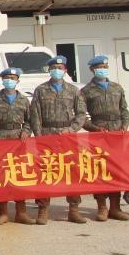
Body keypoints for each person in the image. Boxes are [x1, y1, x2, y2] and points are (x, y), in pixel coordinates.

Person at [29, 55, 89, 225]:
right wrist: (38, 136)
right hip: (47, 134)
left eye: (60, 68)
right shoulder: (41, 90)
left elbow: (81, 113)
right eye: (54, 68)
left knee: (72, 171)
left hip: (67, 135)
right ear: (49, 70)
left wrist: (72, 129)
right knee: (45, 171)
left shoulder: (73, 90)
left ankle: (74, 210)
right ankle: (43, 209)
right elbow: (35, 115)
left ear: (65, 70)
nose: (57, 70)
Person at [80, 55, 129, 222]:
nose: (102, 69)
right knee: (100, 170)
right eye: (98, 67)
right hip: (98, 134)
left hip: (117, 133)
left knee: (116, 170)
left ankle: (115, 207)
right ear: (92, 69)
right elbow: (81, 116)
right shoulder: (86, 91)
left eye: (104, 66)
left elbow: (124, 109)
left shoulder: (117, 87)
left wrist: (125, 125)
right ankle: (102, 207)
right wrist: (94, 128)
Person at [0, 68, 35, 226]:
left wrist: (26, 131)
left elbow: (31, 119)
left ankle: (21, 212)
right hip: (1, 139)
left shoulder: (24, 100)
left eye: (12, 77)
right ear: (2, 80)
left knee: (20, 175)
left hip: (19, 140)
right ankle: (3, 212)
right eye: (6, 77)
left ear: (18, 80)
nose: (9, 80)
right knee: (1, 175)